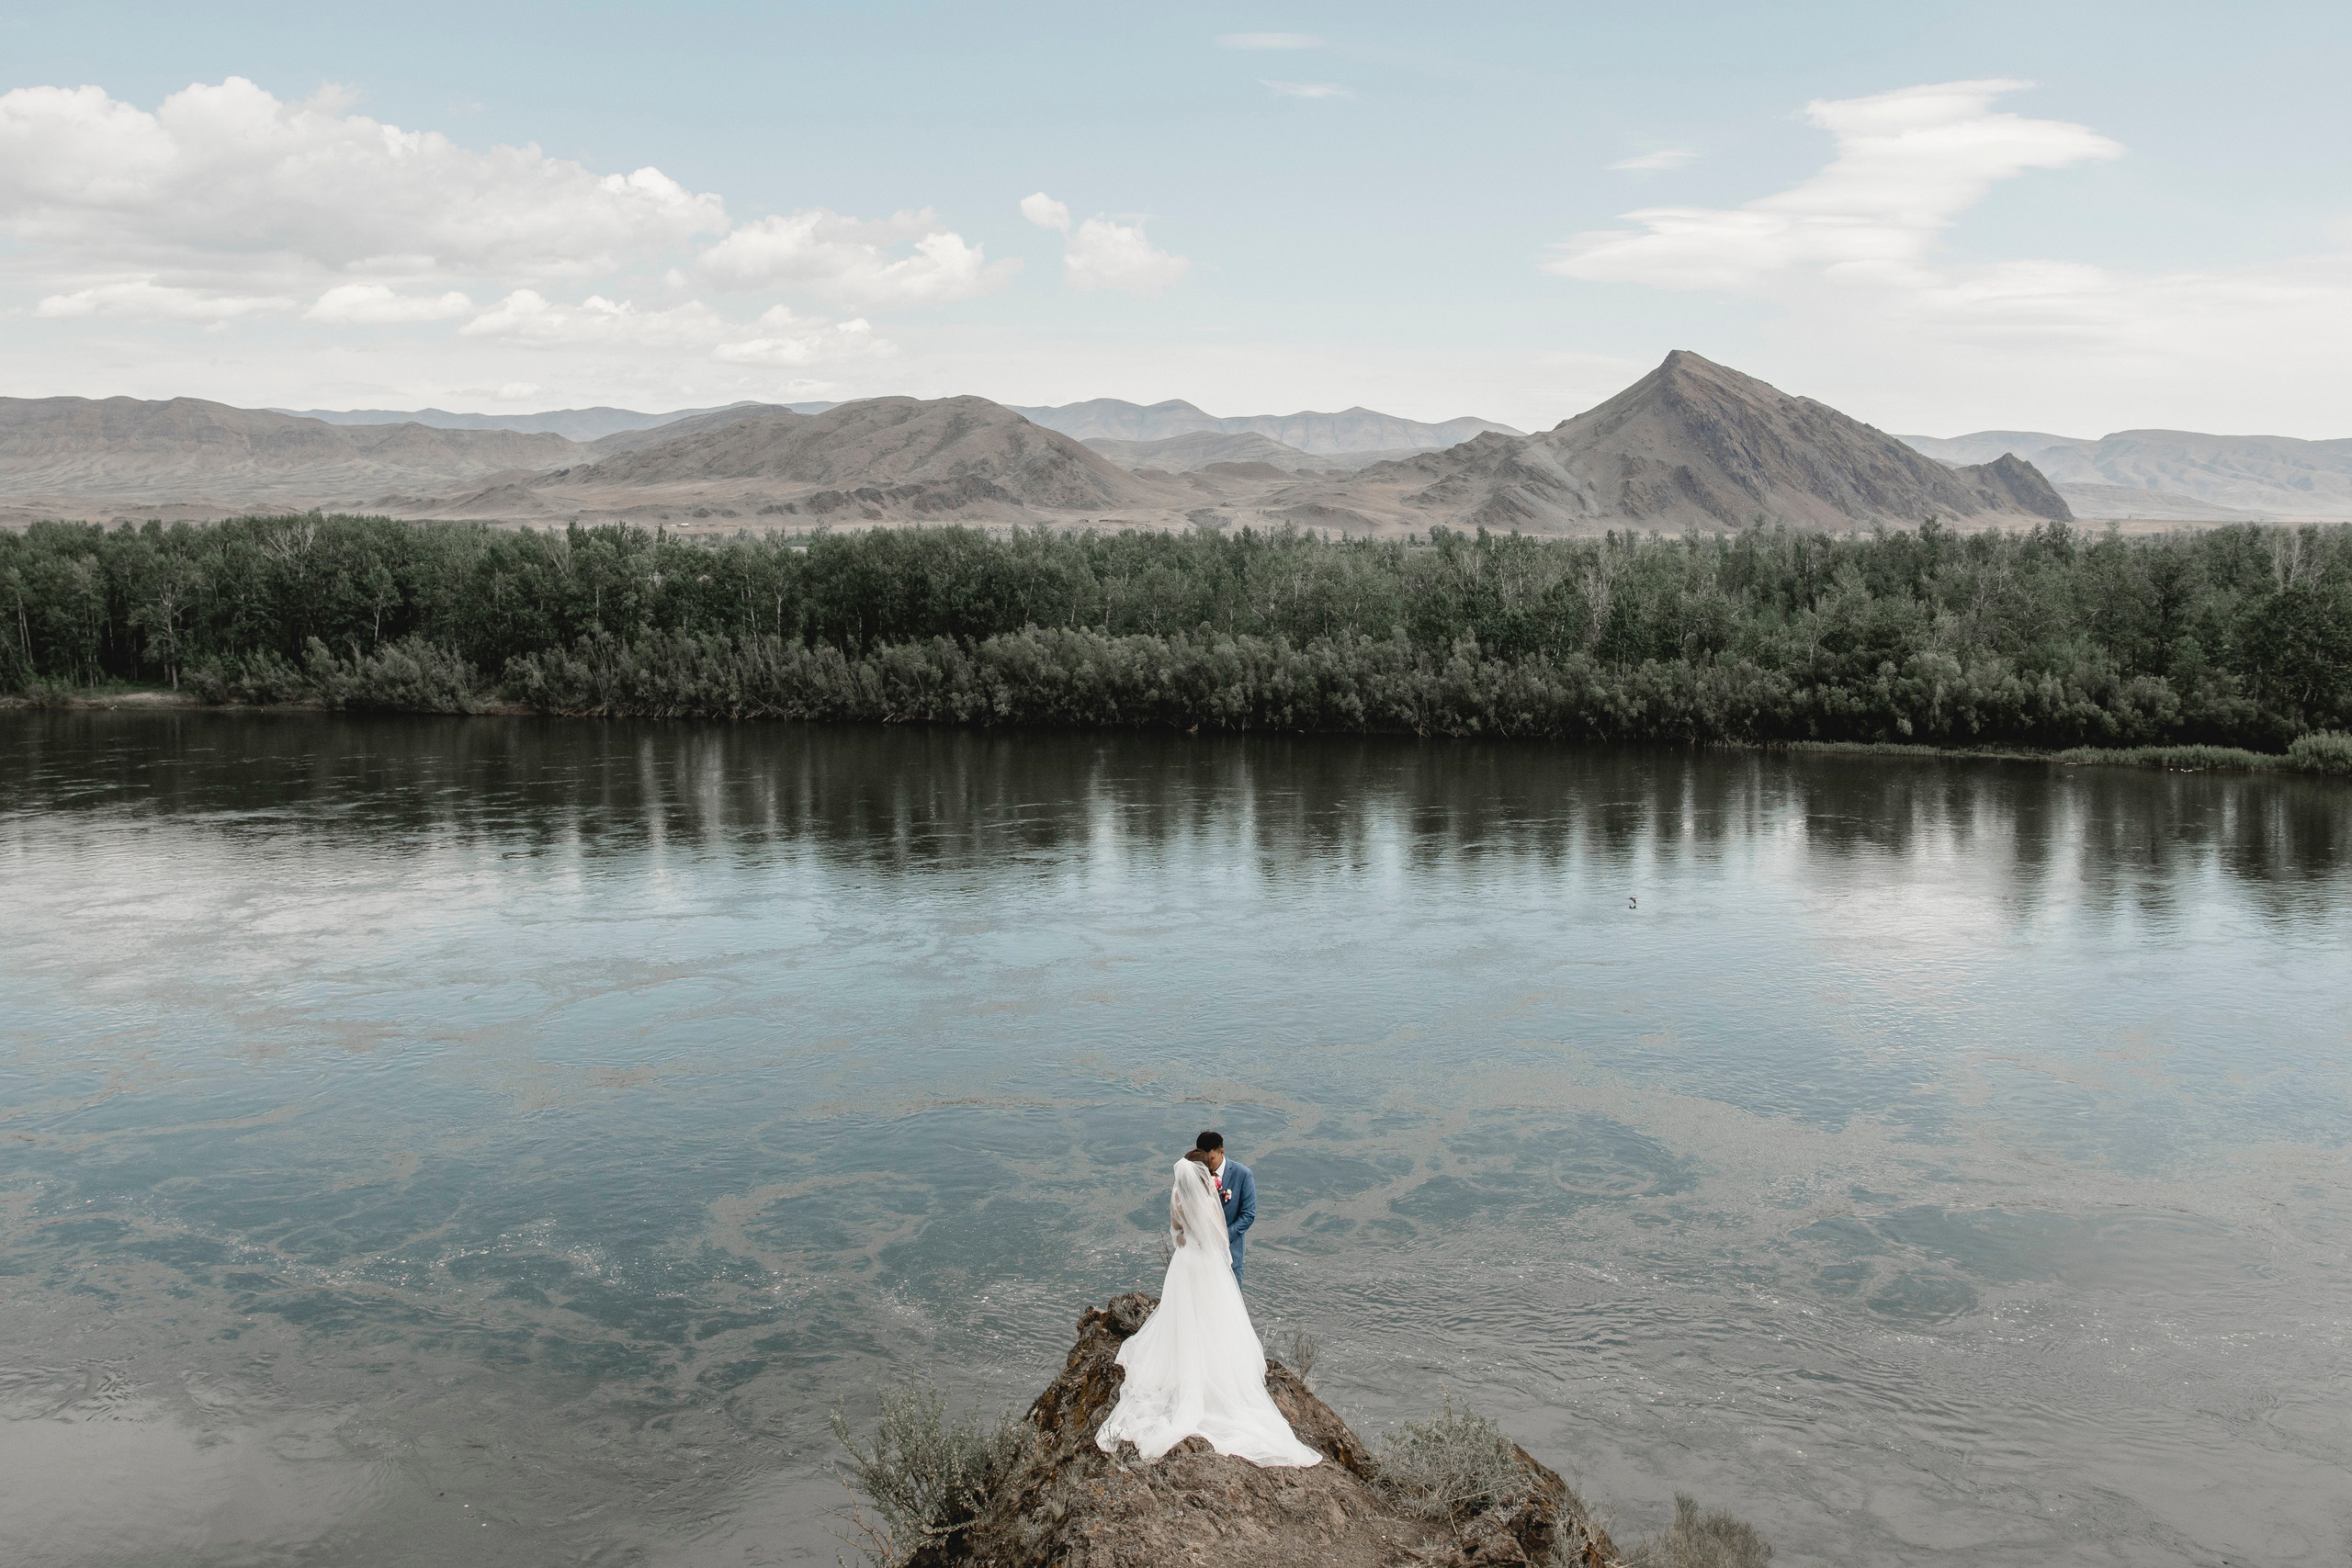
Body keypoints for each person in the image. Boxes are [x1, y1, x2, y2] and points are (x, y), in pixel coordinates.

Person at [1091, 1147, 1320, 1467]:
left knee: (1182, 1318)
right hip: (1206, 1265)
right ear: (1204, 1173)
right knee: (1216, 1319)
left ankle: (1183, 1367)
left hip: (1184, 1265)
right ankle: (1217, 1372)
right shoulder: (1208, 1195)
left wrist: (1189, 1240)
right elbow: (1217, 1236)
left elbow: (1177, 1232)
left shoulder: (1176, 1195)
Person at [1193, 1130, 1255, 1286]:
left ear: (1222, 1152)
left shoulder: (1243, 1174)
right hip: (1201, 1254)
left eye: (1211, 1159)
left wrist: (1223, 1236)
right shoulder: (1195, 1174)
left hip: (1231, 1253)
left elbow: (1248, 1215)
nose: (1207, 1164)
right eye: (1204, 1160)